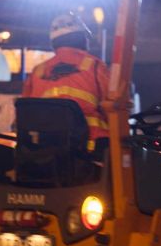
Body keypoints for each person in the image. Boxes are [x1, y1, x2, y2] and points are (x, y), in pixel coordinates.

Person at [22, 12, 110, 150]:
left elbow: (25, 113)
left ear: (54, 42)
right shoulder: (95, 66)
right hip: (91, 149)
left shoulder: (37, 71)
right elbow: (111, 108)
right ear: (82, 38)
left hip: (46, 152)